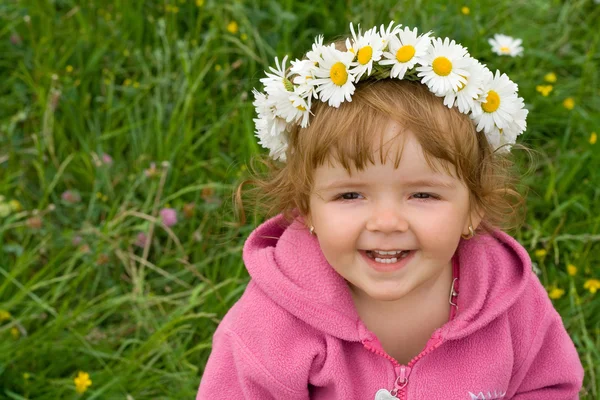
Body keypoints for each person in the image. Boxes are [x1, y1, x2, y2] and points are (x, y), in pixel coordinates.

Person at [197, 22, 584, 399]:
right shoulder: (272, 322)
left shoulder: (506, 300)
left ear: (474, 208)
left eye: (422, 195)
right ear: (306, 208)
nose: (386, 223)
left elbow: (547, 385)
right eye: (350, 195)